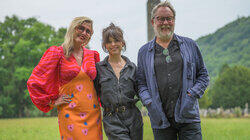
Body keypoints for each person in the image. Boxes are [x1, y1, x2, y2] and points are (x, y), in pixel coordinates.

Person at [136, 1, 209, 140]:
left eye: (169, 18)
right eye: (160, 19)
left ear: (174, 20)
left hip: (188, 116)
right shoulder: (144, 52)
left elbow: (203, 76)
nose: (165, 23)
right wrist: (149, 102)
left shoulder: (190, 45)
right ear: (153, 21)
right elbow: (141, 83)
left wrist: (192, 94)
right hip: (160, 118)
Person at [27, 16, 103, 140]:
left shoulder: (93, 55)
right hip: (69, 113)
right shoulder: (57, 53)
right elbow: (34, 81)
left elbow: (100, 85)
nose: (84, 33)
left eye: (88, 31)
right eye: (81, 28)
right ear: (73, 29)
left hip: (93, 113)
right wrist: (52, 102)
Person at [95, 23, 143, 140]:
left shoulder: (132, 68)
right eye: (109, 41)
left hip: (134, 118)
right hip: (112, 119)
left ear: (122, 43)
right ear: (105, 45)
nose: (113, 44)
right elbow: (93, 93)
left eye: (116, 40)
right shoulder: (99, 68)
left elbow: (141, 91)